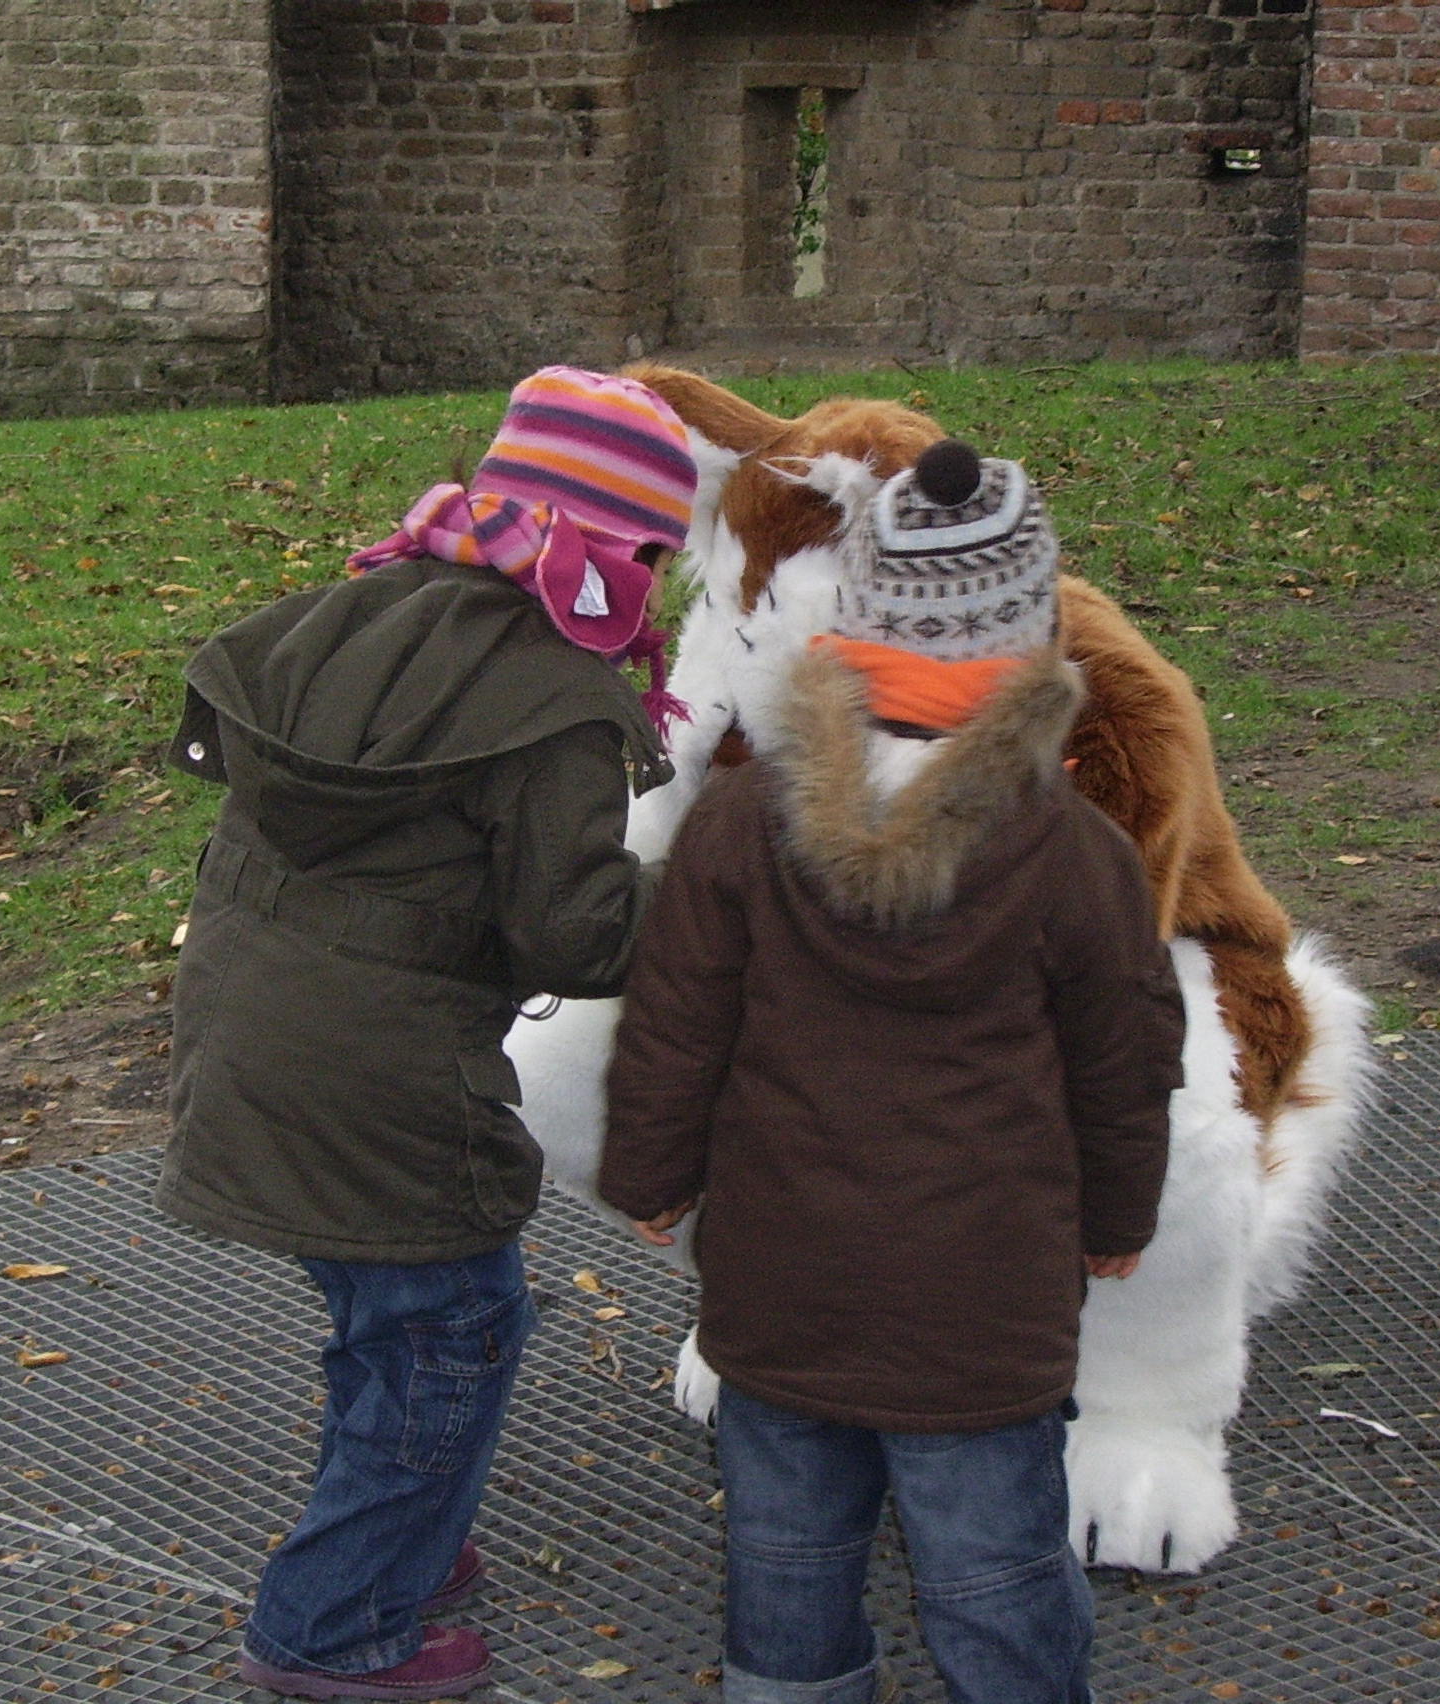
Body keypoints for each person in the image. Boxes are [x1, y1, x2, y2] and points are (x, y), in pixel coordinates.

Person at [597, 439, 1188, 1704]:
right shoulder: (1072, 852)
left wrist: (651, 1175)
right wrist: (1118, 1217)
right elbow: (1125, 1058)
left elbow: (675, 1019)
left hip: (781, 1281)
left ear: (857, 622)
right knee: (994, 1568)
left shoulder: (743, 821)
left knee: (785, 1554)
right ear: (1028, 644)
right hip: (980, 1302)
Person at [158, 366, 700, 1701]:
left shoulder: (358, 612)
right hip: (383, 1075)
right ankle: (332, 1624)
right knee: (454, 1325)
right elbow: (574, 934)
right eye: (653, 553)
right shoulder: (552, 700)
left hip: (243, 1030)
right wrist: (699, 893)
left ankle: (403, 1533)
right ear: (613, 550)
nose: (658, 586)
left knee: (382, 1311)